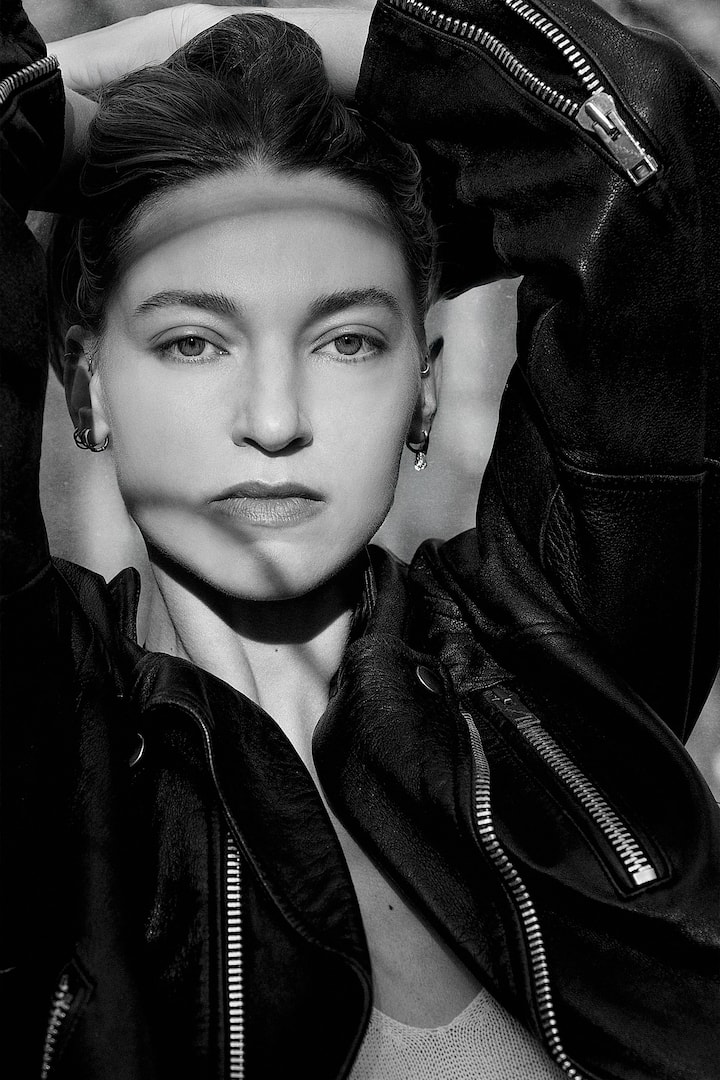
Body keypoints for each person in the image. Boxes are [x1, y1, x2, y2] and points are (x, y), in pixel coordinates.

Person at [1, 1, 719, 1078]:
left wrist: (210, 29)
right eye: (193, 340)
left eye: (346, 340)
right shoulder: (47, 741)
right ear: (86, 381)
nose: (274, 420)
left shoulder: (555, 679)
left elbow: (649, 164)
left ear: (422, 391)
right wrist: (43, 125)